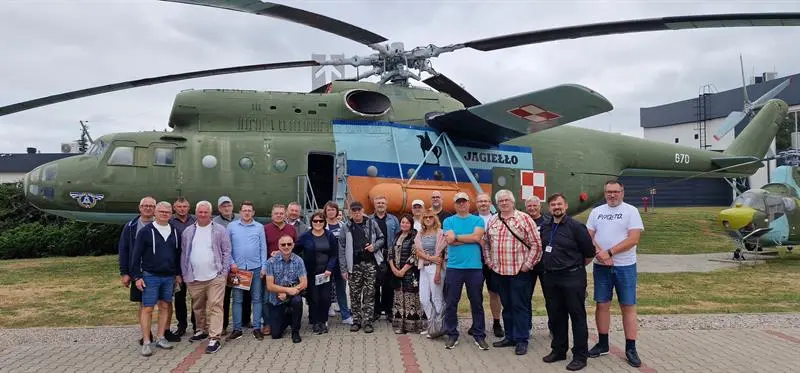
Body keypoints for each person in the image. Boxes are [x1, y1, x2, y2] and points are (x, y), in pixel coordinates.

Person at [586, 180, 644, 368]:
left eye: (615, 192)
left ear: (622, 192)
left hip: (625, 266)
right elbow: (589, 237)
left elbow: (633, 239)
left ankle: (631, 348)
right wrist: (600, 254)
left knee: (627, 306)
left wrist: (610, 252)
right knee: (602, 304)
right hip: (601, 266)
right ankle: (603, 344)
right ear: (604, 193)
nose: (612, 195)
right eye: (608, 192)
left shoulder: (631, 211)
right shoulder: (597, 212)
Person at [539, 193, 595, 371]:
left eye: (559, 204)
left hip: (572, 278)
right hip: (551, 278)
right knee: (556, 316)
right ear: (549, 208)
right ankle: (559, 350)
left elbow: (589, 252)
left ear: (566, 206)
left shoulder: (576, 227)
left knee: (577, 316)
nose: (557, 207)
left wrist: (574, 267)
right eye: (553, 204)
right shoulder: (546, 226)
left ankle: (580, 355)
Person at [483, 189, 542, 356]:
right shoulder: (493, 220)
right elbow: (486, 244)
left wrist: (528, 265)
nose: (503, 203)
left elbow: (536, 244)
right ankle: (509, 336)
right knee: (507, 306)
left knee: (520, 306)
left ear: (513, 202)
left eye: (506, 200)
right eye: (500, 201)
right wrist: (489, 262)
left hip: (519, 272)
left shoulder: (524, 219)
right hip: (499, 271)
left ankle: (522, 339)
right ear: (497, 203)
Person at [180, 200, 232, 354]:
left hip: (215, 276)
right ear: (196, 213)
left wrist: (223, 272)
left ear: (211, 213)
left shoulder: (219, 230)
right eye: (200, 212)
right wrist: (185, 273)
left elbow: (226, 251)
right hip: (194, 277)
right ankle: (201, 329)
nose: (203, 215)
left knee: (216, 305)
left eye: (206, 212)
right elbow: (184, 254)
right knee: (198, 306)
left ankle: (214, 338)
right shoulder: (188, 231)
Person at [131, 201, 182, 357]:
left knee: (165, 306)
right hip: (150, 276)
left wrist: (178, 274)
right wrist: (137, 276)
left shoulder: (175, 231)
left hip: (169, 276)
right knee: (147, 308)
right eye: (161, 211)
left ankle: (161, 337)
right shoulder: (146, 232)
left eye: (167, 212)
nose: (164, 214)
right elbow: (135, 256)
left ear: (171, 214)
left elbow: (178, 255)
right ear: (155, 212)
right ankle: (146, 341)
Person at [442, 192, 489, 351]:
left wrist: (457, 237)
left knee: (476, 302)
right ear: (455, 204)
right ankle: (452, 334)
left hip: (474, 268)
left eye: (464, 202)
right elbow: (449, 240)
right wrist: (470, 238)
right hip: (454, 268)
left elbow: (477, 237)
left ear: (469, 204)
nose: (461, 204)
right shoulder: (448, 220)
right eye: (458, 202)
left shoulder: (477, 219)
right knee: (451, 303)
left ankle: (479, 334)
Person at [339, 200, 385, 333]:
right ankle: (356, 321)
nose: (357, 213)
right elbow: (341, 249)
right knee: (354, 294)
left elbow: (381, 238)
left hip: (370, 264)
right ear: (351, 212)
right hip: (353, 265)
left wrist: (374, 246)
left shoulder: (371, 223)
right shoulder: (346, 227)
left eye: (359, 210)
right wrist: (343, 269)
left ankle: (368, 322)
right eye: (354, 211)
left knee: (370, 293)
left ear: (363, 210)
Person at [226, 201, 268, 341]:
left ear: (253, 212)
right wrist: (231, 263)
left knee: (257, 299)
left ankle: (257, 328)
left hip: (255, 268)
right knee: (237, 300)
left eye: (249, 210)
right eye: (244, 210)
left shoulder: (259, 227)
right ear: (240, 212)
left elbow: (263, 248)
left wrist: (264, 267)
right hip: (238, 269)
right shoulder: (232, 227)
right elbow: (227, 248)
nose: (247, 212)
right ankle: (237, 329)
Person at [295, 210, 339, 334]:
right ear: (312, 222)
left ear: (324, 222)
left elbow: (334, 254)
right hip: (312, 273)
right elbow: (295, 250)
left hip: (326, 274)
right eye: (315, 221)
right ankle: (315, 322)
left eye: (321, 221)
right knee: (314, 298)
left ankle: (323, 321)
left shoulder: (329, 235)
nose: (318, 223)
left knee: (325, 298)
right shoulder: (306, 236)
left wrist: (330, 268)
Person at [264, 235, 308, 343]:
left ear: (293, 245)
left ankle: (295, 331)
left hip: (292, 296)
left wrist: (289, 294)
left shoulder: (298, 261)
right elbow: (269, 286)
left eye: (289, 244)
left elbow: (304, 283)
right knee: (275, 334)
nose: (286, 246)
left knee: (297, 301)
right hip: (276, 299)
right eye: (283, 244)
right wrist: (287, 290)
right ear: (279, 246)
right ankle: (288, 318)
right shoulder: (271, 262)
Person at [414, 208, 447, 338]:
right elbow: (417, 251)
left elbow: (441, 255)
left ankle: (440, 327)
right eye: (426, 217)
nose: (428, 219)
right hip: (424, 267)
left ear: (435, 219)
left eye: (431, 217)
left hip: (436, 268)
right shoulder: (420, 233)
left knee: (437, 298)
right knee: (423, 298)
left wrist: (438, 273)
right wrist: (429, 258)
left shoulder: (440, 233)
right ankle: (432, 324)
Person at [212, 195, 242, 336]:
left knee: (242, 292)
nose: (226, 208)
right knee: (223, 297)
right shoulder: (214, 222)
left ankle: (244, 320)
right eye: (223, 206)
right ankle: (222, 326)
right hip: (224, 264)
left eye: (228, 205)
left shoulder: (240, 218)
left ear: (232, 206)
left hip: (239, 263)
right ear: (219, 208)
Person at [475, 192, 504, 338]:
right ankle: (477, 323)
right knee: (475, 294)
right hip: (475, 261)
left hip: (493, 262)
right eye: (480, 201)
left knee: (494, 293)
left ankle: (496, 322)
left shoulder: (498, 218)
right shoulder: (471, 219)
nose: (483, 204)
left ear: (490, 203)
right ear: (476, 204)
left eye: (486, 201)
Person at [389, 214, 422, 334]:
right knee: (399, 297)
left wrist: (403, 270)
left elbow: (415, 256)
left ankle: (411, 326)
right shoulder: (396, 236)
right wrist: (393, 268)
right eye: (402, 222)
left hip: (410, 273)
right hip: (396, 272)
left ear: (411, 224)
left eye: (407, 222)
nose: (404, 224)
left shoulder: (414, 236)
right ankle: (399, 325)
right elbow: (390, 253)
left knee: (410, 298)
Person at [169, 197, 197, 337]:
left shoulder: (195, 221)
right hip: (178, 266)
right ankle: (181, 325)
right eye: (179, 206)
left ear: (189, 207)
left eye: (184, 206)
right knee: (179, 298)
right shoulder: (170, 223)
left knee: (196, 297)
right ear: (174, 208)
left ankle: (197, 324)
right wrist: (175, 271)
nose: (182, 209)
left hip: (194, 265)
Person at [370, 195, 400, 321]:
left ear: (386, 205)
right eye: (378, 203)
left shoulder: (393, 220)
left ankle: (388, 311)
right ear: (374, 205)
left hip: (389, 255)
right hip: (374, 255)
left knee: (389, 285)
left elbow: (398, 236)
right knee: (374, 285)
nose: (380, 205)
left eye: (382, 203)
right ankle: (376, 311)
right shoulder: (369, 219)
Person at [323, 201, 353, 325]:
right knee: (325, 290)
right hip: (325, 264)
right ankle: (322, 317)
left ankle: (346, 316)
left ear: (337, 212)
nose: (331, 212)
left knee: (341, 290)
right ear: (325, 212)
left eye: (333, 209)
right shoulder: (321, 225)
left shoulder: (344, 226)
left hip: (340, 264)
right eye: (328, 210)